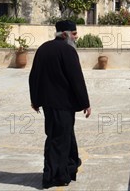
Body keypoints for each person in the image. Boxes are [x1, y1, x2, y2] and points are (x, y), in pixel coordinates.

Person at [29, 20, 91, 189]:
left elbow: (34, 76)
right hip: (63, 105)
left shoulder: (43, 49)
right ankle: (53, 176)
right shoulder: (68, 51)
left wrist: (35, 99)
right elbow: (76, 79)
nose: (76, 37)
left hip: (48, 105)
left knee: (64, 136)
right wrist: (85, 103)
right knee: (59, 140)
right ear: (65, 34)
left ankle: (69, 168)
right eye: (74, 34)